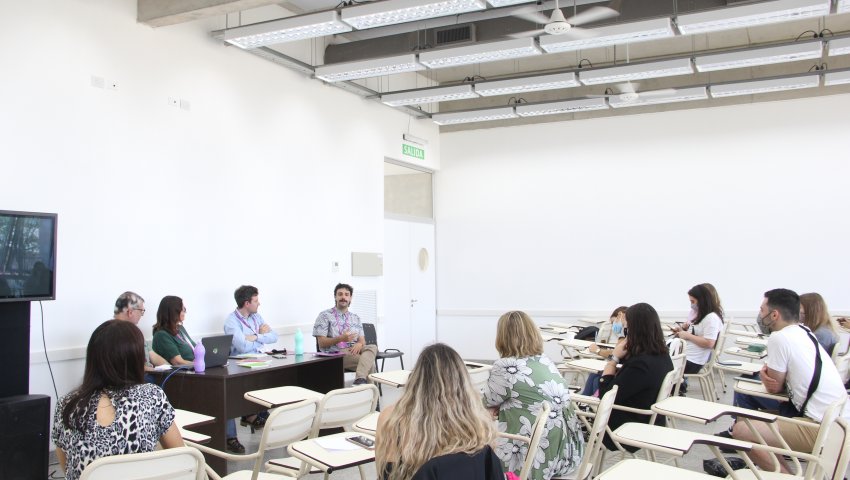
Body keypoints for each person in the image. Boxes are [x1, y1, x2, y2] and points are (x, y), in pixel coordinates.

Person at [730, 289, 850, 472]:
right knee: (753, 420)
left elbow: (773, 387)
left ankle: (785, 476)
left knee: (740, 430)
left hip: (823, 428)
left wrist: (764, 375)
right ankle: (785, 473)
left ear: (774, 314)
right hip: (840, 422)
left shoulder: (779, 337)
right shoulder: (805, 331)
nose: (760, 315)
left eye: (762, 310)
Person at [52, 320, 183, 480]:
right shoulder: (152, 396)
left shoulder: (66, 404)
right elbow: (180, 457)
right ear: (134, 358)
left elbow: (68, 469)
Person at [376, 343, 502, 480]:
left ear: (416, 379)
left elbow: (386, 475)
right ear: (462, 382)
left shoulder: (393, 419)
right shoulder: (477, 422)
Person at [483, 311, 585, 480]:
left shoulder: (506, 367)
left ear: (502, 337)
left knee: (476, 437)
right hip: (568, 452)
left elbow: (484, 404)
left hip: (534, 460)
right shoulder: (544, 361)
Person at [152, 295, 245, 454]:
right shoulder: (161, 335)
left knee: (225, 389)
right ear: (173, 312)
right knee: (219, 393)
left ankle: (229, 436)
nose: (185, 312)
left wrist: (207, 359)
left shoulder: (180, 330)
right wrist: (199, 363)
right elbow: (178, 361)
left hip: (195, 372)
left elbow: (196, 350)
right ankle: (228, 437)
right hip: (183, 378)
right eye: (183, 310)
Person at [597, 303, 674, 451]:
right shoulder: (662, 355)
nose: (625, 334)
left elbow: (605, 395)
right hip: (651, 420)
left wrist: (613, 360)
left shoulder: (640, 365)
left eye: (626, 329)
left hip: (626, 429)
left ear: (635, 330)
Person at [224, 285, 277, 430]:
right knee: (257, 380)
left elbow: (274, 336)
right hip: (240, 364)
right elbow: (242, 347)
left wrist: (254, 336)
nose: (259, 303)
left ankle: (258, 413)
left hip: (260, 360)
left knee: (273, 378)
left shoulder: (256, 316)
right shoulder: (231, 322)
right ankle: (251, 414)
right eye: (256, 300)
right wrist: (261, 337)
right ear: (247, 303)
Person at [312, 283, 377, 385]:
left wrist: (359, 344)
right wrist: (341, 338)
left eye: (347, 294)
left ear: (350, 298)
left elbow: (362, 340)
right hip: (336, 354)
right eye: (340, 294)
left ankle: (360, 382)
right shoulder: (324, 316)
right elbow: (321, 343)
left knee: (372, 347)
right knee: (370, 365)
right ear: (335, 297)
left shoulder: (355, 318)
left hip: (354, 350)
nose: (343, 297)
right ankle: (370, 396)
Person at [671, 284, 724, 395]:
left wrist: (687, 336)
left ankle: (675, 391)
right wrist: (683, 332)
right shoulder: (704, 316)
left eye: (693, 301)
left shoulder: (711, 318)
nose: (691, 305)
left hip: (692, 362)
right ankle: (674, 391)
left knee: (660, 365)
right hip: (689, 358)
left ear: (702, 300)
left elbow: (709, 343)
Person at [113, 291, 167, 372]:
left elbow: (150, 354)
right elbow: (134, 368)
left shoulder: (133, 330)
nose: (142, 315)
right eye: (141, 311)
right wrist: (156, 371)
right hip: (138, 380)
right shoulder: (116, 334)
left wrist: (170, 367)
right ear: (130, 312)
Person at [580, 306, 627, 396]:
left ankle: (587, 402)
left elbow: (615, 354)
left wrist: (598, 350)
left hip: (620, 373)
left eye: (615, 322)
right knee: (594, 375)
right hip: (619, 369)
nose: (614, 325)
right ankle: (585, 402)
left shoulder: (627, 337)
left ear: (621, 317)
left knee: (598, 379)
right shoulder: (625, 335)